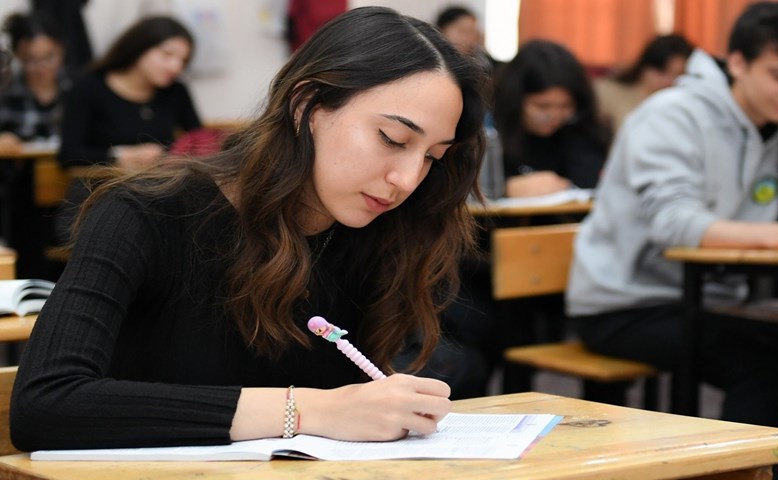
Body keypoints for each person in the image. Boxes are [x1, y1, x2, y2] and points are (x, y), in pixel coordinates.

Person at [11, 6, 486, 450]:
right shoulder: (145, 214)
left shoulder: (382, 234)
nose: (407, 179)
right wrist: (309, 410)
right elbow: (45, 404)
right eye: (392, 138)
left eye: (431, 157)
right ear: (308, 107)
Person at [567, 0, 778, 429]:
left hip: (715, 302)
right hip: (626, 303)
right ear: (738, 62)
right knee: (761, 364)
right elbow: (673, 224)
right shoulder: (672, 114)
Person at [53, 15, 202, 243]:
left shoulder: (176, 92)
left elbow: (199, 142)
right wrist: (120, 156)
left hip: (159, 198)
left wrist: (174, 159)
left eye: (183, 60)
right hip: (97, 198)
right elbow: (69, 154)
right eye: (167, 54)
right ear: (139, 46)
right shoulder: (88, 87)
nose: (175, 66)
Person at [493, 40, 609, 198]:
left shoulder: (581, 129)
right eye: (542, 107)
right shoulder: (489, 134)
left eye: (565, 106)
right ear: (515, 100)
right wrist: (505, 189)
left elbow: (592, 182)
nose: (554, 116)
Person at [593, 34, 693, 133]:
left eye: (678, 75)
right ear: (645, 66)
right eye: (662, 72)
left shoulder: (684, 105)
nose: (669, 81)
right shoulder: (608, 91)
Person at [0, 12, 69, 151]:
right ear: (18, 55)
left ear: (61, 49)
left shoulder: (76, 89)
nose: (42, 68)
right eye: (31, 60)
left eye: (49, 57)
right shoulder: (6, 92)